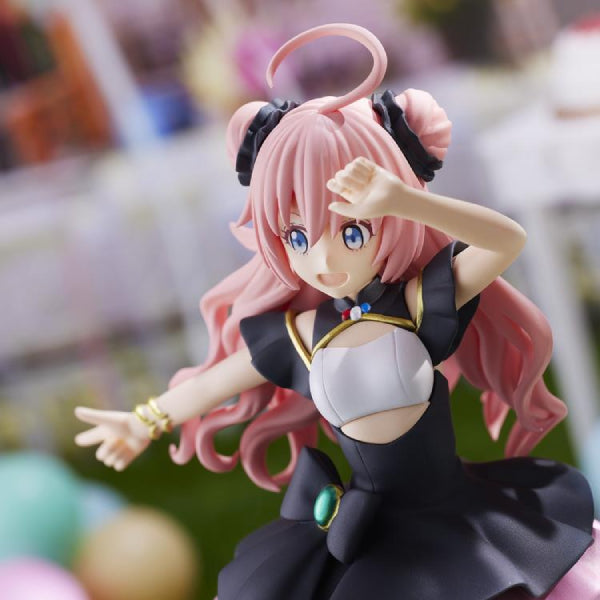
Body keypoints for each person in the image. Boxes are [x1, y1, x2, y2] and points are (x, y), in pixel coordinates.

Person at [75, 23, 600, 600]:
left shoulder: (418, 305)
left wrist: (403, 199)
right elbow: (214, 382)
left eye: (351, 233)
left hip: (457, 516)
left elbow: (507, 240)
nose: (322, 261)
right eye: (298, 238)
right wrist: (144, 420)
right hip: (372, 533)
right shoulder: (299, 335)